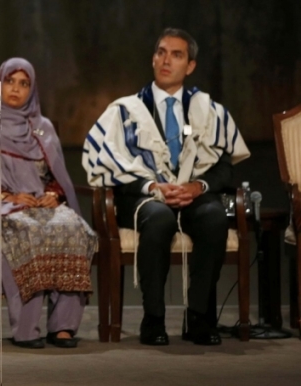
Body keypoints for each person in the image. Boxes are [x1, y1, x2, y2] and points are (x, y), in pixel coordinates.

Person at [82, 28, 250, 346]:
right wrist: (151, 186)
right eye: (161, 52)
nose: (166, 60)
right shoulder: (124, 111)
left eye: (176, 54)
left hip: (192, 195)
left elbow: (225, 168)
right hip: (144, 197)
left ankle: (200, 318)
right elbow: (106, 164)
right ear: (152, 59)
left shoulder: (208, 110)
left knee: (214, 217)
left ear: (190, 66)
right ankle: (153, 319)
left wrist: (198, 186)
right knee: (158, 217)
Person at [0, 58, 97, 349]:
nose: (16, 89)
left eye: (24, 84)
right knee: (25, 230)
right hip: (2, 206)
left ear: (32, 90)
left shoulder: (43, 128)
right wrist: (5, 195)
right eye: (10, 81)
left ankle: (63, 326)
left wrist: (54, 195)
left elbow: (56, 175)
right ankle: (26, 329)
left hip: (40, 203)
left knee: (73, 227)